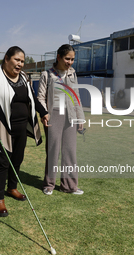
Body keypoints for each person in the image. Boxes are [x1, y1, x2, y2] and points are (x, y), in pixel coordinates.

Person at [0, 46, 49, 217]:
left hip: (21, 126)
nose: (20, 64)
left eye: (23, 61)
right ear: (7, 58)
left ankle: (12, 188)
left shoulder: (24, 77)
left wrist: (43, 112)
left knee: (17, 159)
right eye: (17, 60)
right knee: (2, 162)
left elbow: (31, 97)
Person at [37, 44, 85, 196]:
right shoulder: (47, 74)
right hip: (54, 116)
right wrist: (44, 114)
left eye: (72, 59)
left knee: (70, 151)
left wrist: (80, 118)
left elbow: (76, 97)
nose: (70, 62)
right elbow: (41, 97)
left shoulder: (72, 74)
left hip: (70, 116)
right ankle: (49, 185)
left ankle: (70, 186)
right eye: (67, 58)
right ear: (58, 57)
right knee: (53, 151)